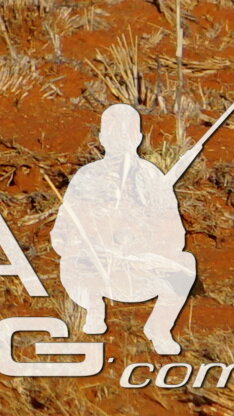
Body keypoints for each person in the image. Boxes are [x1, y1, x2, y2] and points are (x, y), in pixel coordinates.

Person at [55, 100, 210, 356]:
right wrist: (91, 242)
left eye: (125, 134)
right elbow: (61, 233)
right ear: (103, 137)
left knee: (185, 262)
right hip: (95, 269)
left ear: (137, 137)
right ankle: (94, 308)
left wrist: (143, 243)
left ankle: (159, 328)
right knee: (75, 261)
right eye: (113, 134)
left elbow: (175, 235)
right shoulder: (86, 177)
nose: (120, 141)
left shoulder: (152, 178)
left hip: (136, 272)